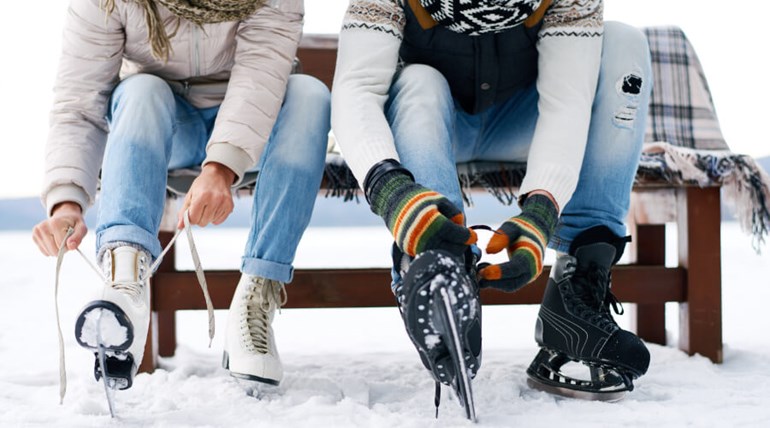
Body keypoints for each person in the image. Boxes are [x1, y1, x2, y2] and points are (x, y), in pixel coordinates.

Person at [331, 0, 652, 417]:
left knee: (624, 43)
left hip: (524, 121)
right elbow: (356, 87)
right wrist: (390, 190)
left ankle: (578, 287)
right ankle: (439, 267)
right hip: (428, 122)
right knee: (419, 81)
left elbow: (566, 103)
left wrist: (542, 207)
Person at [32, 0, 329, 392]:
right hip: (169, 127)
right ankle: (125, 286)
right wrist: (66, 201)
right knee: (141, 89)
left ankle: (256, 297)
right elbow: (79, 101)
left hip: (257, 131)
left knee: (309, 94)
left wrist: (220, 166)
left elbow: (260, 75)